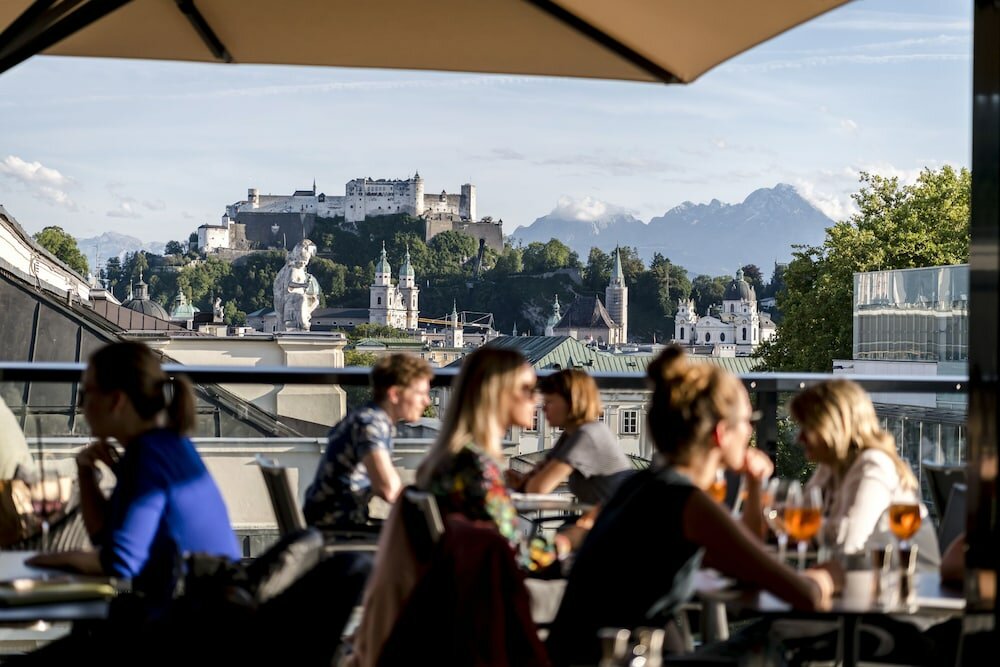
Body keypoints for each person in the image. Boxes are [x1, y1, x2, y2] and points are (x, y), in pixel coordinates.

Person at [546, 346, 838, 667]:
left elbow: (742, 563)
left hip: (581, 654)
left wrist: (754, 484)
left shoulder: (642, 485)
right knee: (791, 635)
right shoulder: (687, 502)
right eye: (747, 420)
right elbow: (803, 595)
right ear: (721, 433)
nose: (752, 430)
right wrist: (833, 575)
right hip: (614, 659)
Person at [346, 347, 554, 667]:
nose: (536, 398)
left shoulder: (449, 462)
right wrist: (569, 540)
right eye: (527, 389)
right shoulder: (477, 469)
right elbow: (511, 558)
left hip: (450, 613)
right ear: (496, 395)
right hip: (482, 612)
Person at [26, 342, 239, 611]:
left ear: (116, 400)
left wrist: (51, 560)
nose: (81, 406)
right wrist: (85, 471)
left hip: (189, 620)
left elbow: (121, 561)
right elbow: (106, 538)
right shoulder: (166, 445)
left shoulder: (148, 457)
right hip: (209, 610)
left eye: (86, 394)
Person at [790, 378, 940, 569]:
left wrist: (801, 524)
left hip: (913, 588)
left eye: (808, 428)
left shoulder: (873, 465)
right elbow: (803, 519)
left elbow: (848, 542)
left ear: (834, 427)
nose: (800, 438)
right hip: (867, 583)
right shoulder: (831, 464)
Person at [303, 353, 432, 533]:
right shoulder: (371, 424)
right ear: (394, 394)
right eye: (421, 393)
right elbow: (388, 489)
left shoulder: (369, 417)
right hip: (339, 529)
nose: (427, 401)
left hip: (335, 522)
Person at [508, 369, 632, 506]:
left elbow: (537, 489)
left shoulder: (587, 435)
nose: (544, 409)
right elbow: (534, 480)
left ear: (572, 402)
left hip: (616, 522)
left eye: (549, 402)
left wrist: (522, 482)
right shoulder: (571, 434)